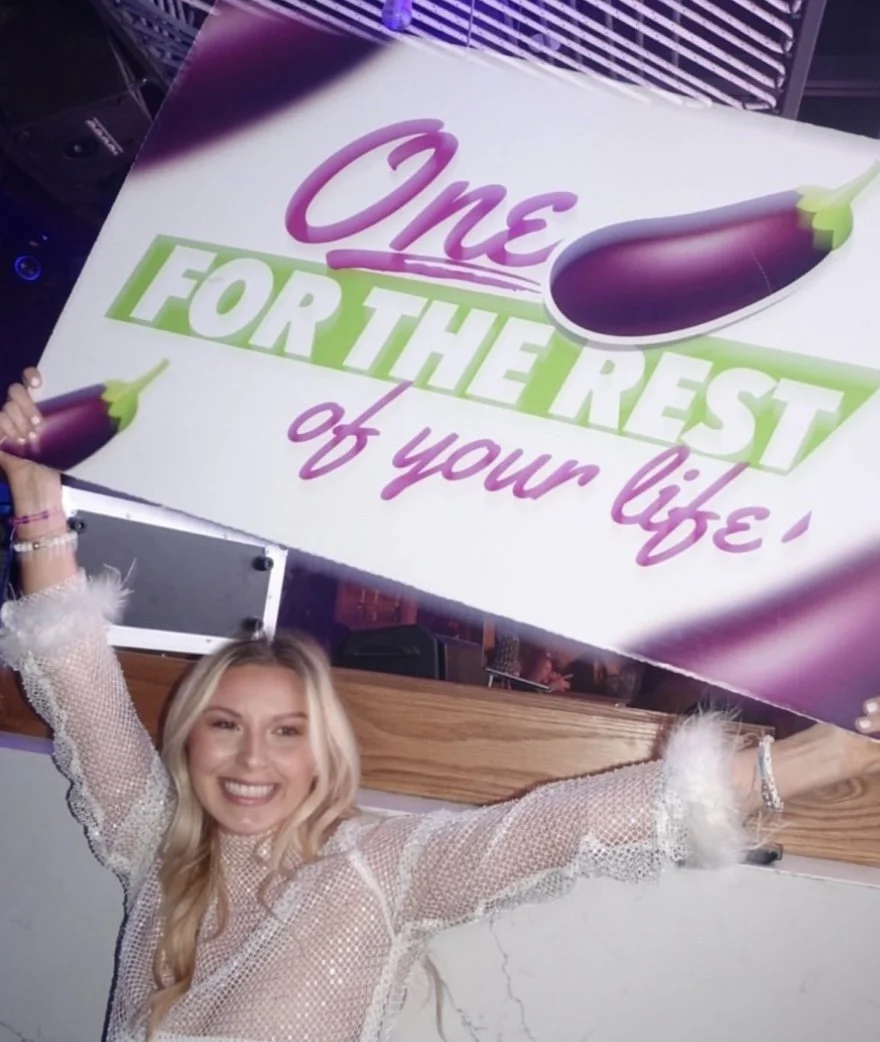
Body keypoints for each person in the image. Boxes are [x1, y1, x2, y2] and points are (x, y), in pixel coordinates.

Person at [0, 366, 878, 1042]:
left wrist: (816, 760)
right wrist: (37, 494)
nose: (252, 759)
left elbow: (564, 824)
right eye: (224, 726)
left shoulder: (380, 867)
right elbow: (83, 688)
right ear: (190, 742)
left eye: (286, 732)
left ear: (326, 754)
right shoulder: (156, 839)